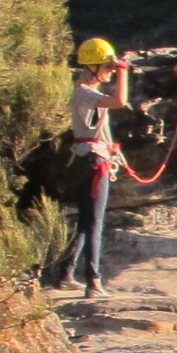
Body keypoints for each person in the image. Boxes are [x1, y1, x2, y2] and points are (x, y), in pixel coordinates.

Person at [55, 35, 129, 297]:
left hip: (91, 158)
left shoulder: (85, 93)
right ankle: (94, 282)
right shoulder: (85, 93)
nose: (110, 71)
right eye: (107, 67)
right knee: (95, 222)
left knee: (87, 221)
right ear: (92, 66)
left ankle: (66, 273)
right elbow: (120, 101)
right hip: (94, 161)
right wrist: (123, 73)